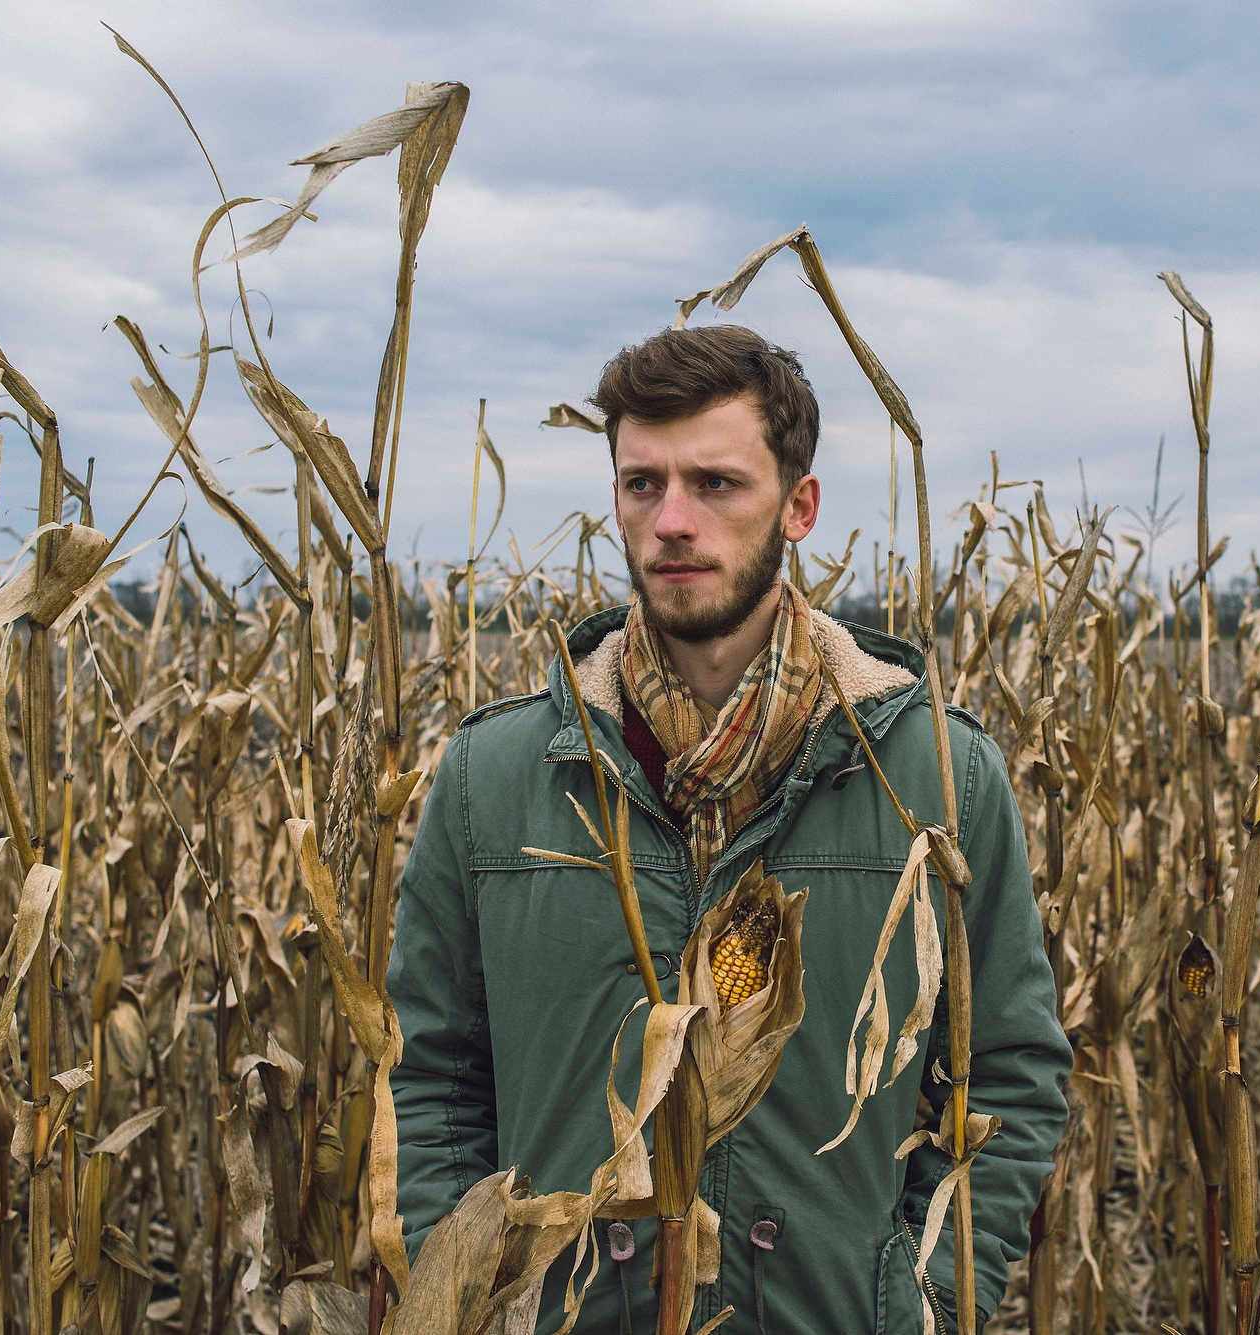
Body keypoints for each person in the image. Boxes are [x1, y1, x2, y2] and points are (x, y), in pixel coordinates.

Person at [388, 324, 1071, 1332]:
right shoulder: (493, 778)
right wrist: (464, 1295)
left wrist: (918, 1301)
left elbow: (1006, 1078)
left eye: (715, 483)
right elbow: (429, 1080)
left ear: (798, 506)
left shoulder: (934, 774)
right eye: (643, 484)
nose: (671, 521)